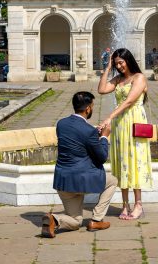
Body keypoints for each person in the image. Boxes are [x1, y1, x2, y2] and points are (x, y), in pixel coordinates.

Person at [42, 92, 117, 238]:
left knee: (76, 222)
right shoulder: (89, 132)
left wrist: (94, 134)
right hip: (82, 180)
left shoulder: (61, 124)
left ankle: (54, 219)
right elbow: (102, 157)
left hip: (63, 181)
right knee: (113, 181)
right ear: (88, 108)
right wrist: (103, 137)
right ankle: (96, 219)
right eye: (93, 106)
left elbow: (76, 140)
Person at [97, 48, 152, 220]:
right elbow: (102, 89)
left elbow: (129, 101)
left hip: (134, 120)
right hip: (120, 124)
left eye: (121, 62)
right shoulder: (119, 78)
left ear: (129, 60)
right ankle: (125, 204)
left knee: (135, 160)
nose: (119, 66)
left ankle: (138, 204)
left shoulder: (139, 78)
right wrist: (107, 67)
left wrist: (108, 117)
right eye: (116, 64)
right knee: (122, 161)